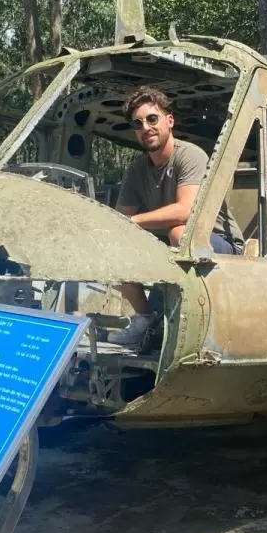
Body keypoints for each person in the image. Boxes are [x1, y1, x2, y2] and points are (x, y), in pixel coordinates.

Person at [109, 86, 242, 344]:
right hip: (171, 246)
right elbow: (118, 221)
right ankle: (146, 320)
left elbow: (185, 211)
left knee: (179, 233)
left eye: (152, 119)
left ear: (169, 121)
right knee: (117, 242)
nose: (146, 127)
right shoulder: (137, 170)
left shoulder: (189, 156)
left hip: (219, 244)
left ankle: (187, 321)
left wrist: (134, 221)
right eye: (138, 123)